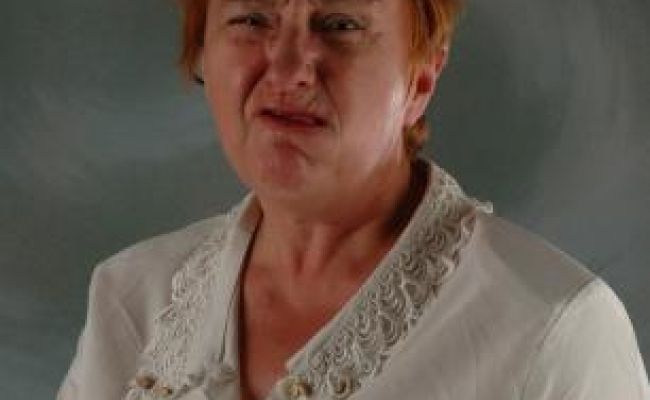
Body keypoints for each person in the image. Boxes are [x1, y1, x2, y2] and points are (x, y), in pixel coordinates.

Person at [57, 0, 650, 399]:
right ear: (203, 51)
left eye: (340, 24)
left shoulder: (555, 328)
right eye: (252, 18)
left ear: (421, 76)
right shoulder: (132, 297)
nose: (287, 68)